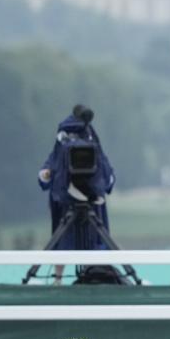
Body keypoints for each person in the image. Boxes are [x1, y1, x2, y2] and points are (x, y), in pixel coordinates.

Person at [38, 105, 116, 269]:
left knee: (66, 240)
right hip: (74, 199)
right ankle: (75, 275)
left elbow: (54, 161)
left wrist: (47, 174)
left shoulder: (81, 136)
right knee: (69, 239)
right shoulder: (81, 137)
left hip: (82, 199)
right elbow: (56, 161)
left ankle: (60, 279)